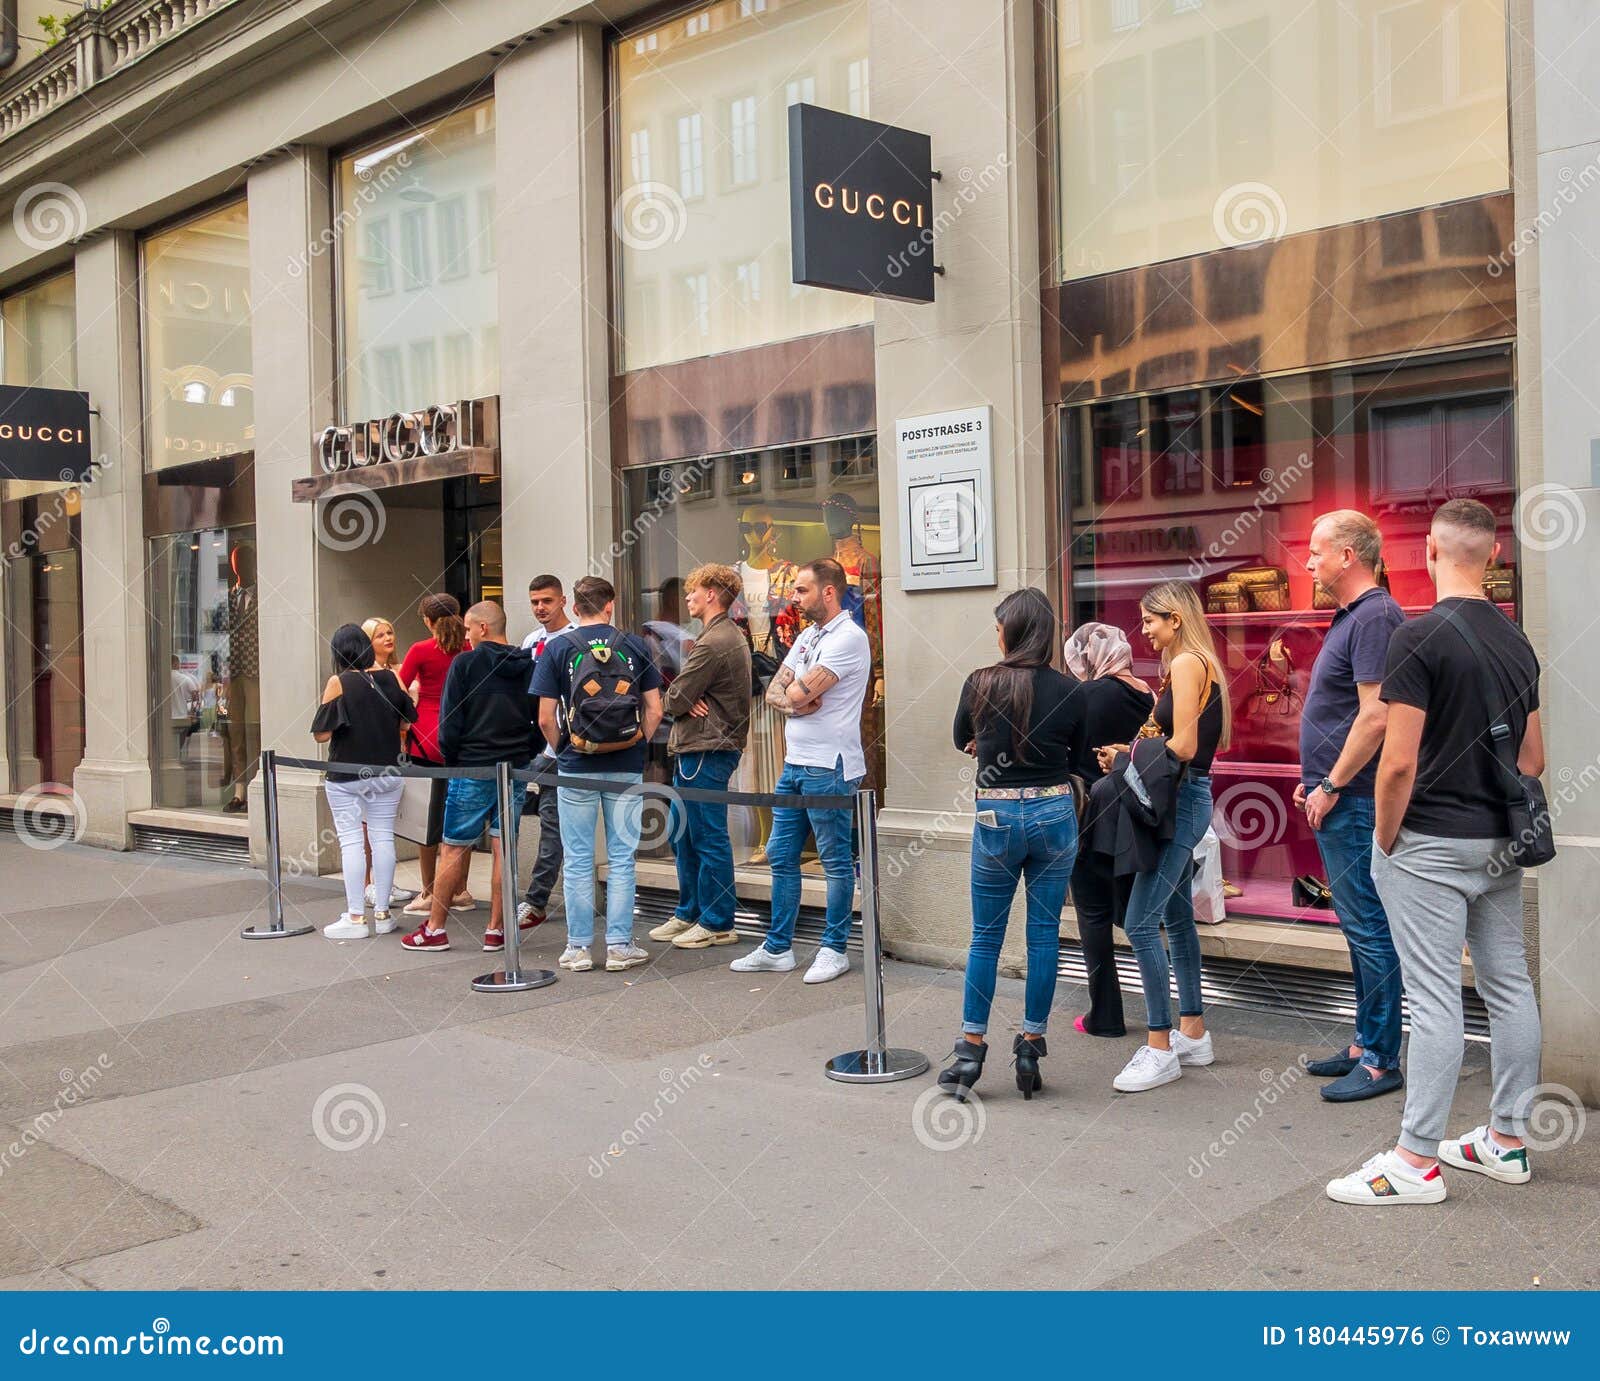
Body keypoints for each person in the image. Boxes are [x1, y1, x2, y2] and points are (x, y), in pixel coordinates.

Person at [1327, 499, 1544, 1206]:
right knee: (1509, 987)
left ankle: (1415, 1161)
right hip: (1499, 843)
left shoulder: (1417, 637)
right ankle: (1506, 1141)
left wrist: (1386, 840)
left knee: (1433, 996)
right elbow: (1534, 758)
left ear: (1428, 551)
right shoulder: (1518, 642)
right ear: (1492, 557)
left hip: (1428, 841)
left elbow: (1396, 763)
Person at [938, 588, 1088, 1101]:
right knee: (1044, 935)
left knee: (986, 936)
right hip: (1053, 810)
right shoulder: (1070, 689)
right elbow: (1080, 756)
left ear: (1012, 630)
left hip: (997, 811)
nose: (995, 633)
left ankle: (970, 1048)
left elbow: (961, 737)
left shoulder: (981, 682)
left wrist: (989, 742)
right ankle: (1030, 1043)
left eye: (999, 625)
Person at [1294, 511, 1406, 1102]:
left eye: (1316, 552)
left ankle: (1383, 1059)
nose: (1307, 563)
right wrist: (1316, 779)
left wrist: (1333, 784)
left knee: (1369, 927)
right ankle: (1366, 1042)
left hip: (1355, 800)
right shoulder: (1356, 617)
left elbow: (1378, 715)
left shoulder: (1377, 615)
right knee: (1357, 924)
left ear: (1348, 556)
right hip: (1339, 795)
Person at [1106, 580, 1228, 1093]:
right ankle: (1193, 1032)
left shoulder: (1185, 663)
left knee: (1139, 923)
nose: (1146, 631)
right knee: (1176, 919)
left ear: (1174, 619)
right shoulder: (1201, 663)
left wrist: (1127, 759)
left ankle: (1160, 1046)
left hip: (1181, 802)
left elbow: (1183, 743)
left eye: (1151, 620)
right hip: (1188, 797)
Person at [731, 558, 872, 984]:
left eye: (802, 590)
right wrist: (794, 696)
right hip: (795, 763)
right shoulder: (809, 635)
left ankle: (834, 948)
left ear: (828, 592)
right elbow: (778, 687)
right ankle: (778, 947)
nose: (793, 597)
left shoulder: (848, 638)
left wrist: (794, 693)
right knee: (780, 853)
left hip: (830, 765)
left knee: (834, 860)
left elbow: (797, 688)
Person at [532, 575, 663, 973]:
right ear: (611, 605)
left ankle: (578, 948)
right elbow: (655, 709)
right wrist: (637, 743)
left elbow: (544, 718)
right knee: (622, 858)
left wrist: (566, 751)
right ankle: (620, 945)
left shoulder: (558, 648)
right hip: (624, 766)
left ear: (573, 607)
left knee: (577, 858)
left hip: (577, 768)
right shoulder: (635, 645)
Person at [400, 601, 534, 955]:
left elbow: (450, 721)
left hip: (473, 764)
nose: (467, 636)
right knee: (503, 846)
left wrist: (454, 758)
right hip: (514, 766)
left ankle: (435, 928)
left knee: (453, 846)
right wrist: (527, 752)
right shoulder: (528, 664)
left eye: (470, 630)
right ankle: (496, 929)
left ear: (483, 628)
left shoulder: (466, 663)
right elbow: (540, 715)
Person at [648, 564, 752, 950]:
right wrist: (686, 698)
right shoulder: (722, 635)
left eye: (694, 591)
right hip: (703, 748)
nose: (688, 597)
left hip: (707, 748)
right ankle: (690, 911)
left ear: (712, 594)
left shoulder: (713, 641)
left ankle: (717, 920)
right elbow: (683, 697)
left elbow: (674, 698)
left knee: (706, 837)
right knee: (685, 835)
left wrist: (683, 698)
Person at [1062, 621, 1155, 1039]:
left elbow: (1067, 751)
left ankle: (1107, 1013)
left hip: (1093, 815)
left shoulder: (1083, 695)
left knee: (1093, 914)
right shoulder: (1149, 694)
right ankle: (1163, 1016)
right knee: (1137, 911)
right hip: (1138, 815)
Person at [312, 623, 417, 941]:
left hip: (347, 773)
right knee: (383, 838)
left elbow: (322, 732)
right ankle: (383, 914)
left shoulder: (339, 681)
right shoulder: (391, 676)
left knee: (351, 842)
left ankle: (356, 916)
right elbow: (408, 719)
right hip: (388, 771)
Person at [397, 593, 475, 918]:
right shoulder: (470, 648)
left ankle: (429, 890)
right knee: (462, 819)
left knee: (424, 821)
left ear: (428, 621)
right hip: (463, 739)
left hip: (426, 739)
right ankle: (460, 889)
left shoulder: (420, 650)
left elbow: (398, 689)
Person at [517, 575, 575, 930]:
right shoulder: (531, 641)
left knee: (553, 828)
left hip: (563, 749)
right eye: (535, 601)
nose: (541, 608)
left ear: (563, 601)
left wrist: (561, 746)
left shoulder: (574, 639)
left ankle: (536, 900)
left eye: (547, 601)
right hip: (534, 748)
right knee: (529, 824)